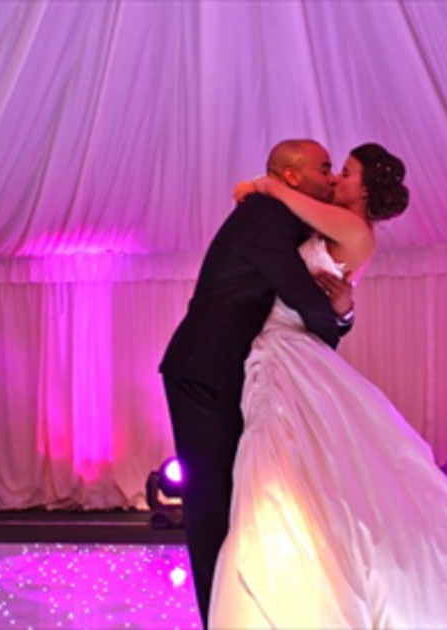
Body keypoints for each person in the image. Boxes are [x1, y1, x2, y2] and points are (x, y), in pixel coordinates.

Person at [208, 143, 447, 627]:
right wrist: (343, 309)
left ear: (364, 191)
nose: (336, 177)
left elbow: (288, 198)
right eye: (334, 169)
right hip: (281, 346)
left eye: (346, 172)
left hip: (286, 348)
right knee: (292, 467)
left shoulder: (354, 230)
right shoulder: (332, 226)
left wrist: (263, 184)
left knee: (279, 463)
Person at [159, 139, 356, 627]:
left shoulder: (284, 215)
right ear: (291, 177)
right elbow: (302, 296)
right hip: (203, 372)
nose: (331, 177)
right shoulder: (264, 216)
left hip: (232, 371)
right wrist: (338, 321)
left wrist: (342, 310)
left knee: (239, 498)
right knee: (211, 507)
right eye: (324, 168)